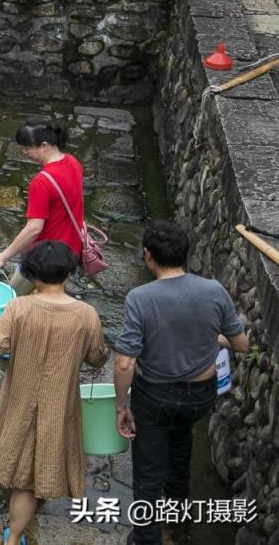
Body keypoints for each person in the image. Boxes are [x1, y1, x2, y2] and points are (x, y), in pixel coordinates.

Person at [113, 221, 248, 545]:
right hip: (199, 397)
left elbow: (124, 361)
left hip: (154, 396)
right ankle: (175, 525)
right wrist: (210, 337)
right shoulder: (213, 290)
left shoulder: (140, 298)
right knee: (180, 448)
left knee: (148, 469)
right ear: (185, 254)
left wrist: (122, 406)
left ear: (148, 256)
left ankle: (145, 539)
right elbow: (240, 343)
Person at [0, 241, 108, 545]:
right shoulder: (86, 314)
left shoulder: (19, 307)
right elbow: (97, 357)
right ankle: (15, 535)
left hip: (20, 398)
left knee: (22, 469)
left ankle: (12, 536)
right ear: (68, 274)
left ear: (32, 275)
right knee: (41, 464)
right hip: (59, 403)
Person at [0, 120, 84, 295]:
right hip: (69, 253)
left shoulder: (41, 182)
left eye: (27, 148)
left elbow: (34, 229)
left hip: (44, 257)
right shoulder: (73, 162)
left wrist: (3, 257)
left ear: (44, 146)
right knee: (51, 297)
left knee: (13, 298)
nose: (24, 152)